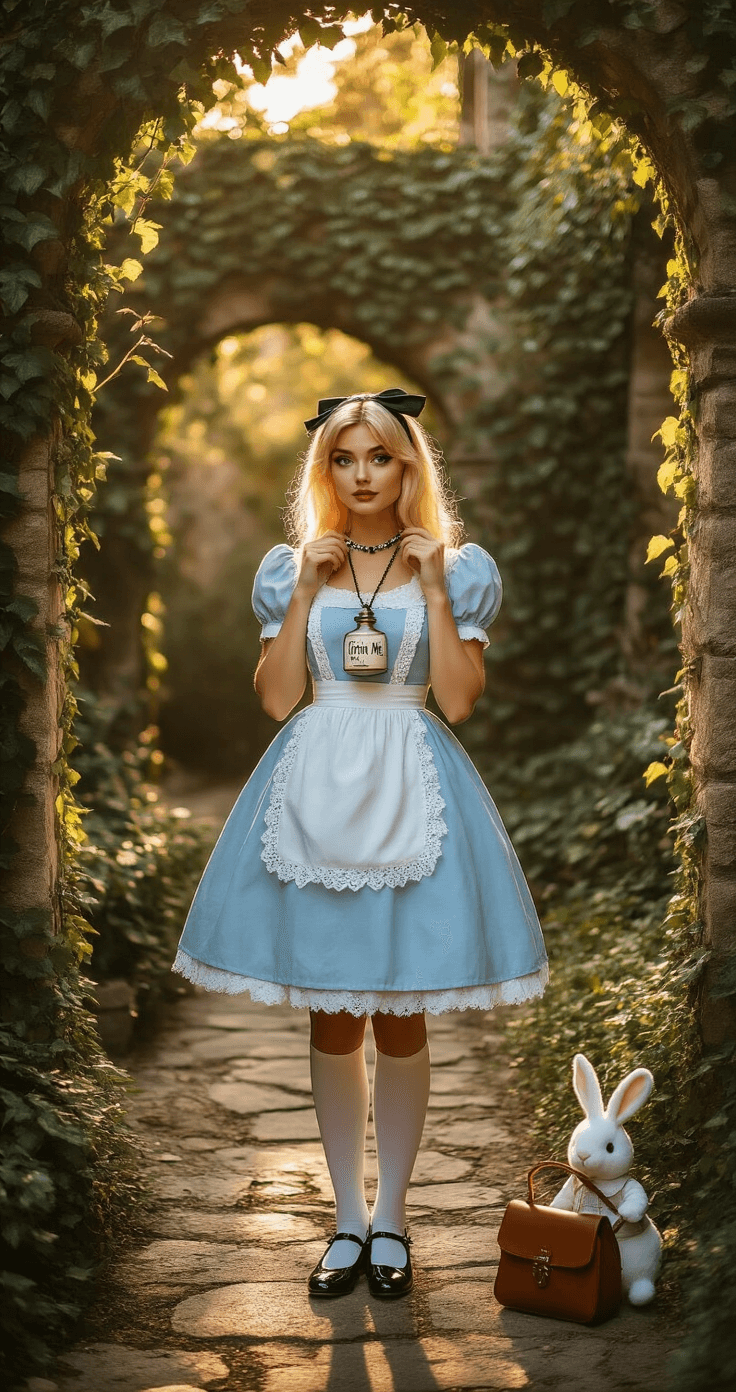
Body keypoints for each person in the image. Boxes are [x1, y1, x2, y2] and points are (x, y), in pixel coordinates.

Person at [173, 387, 548, 1301]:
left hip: (413, 778)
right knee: (333, 1016)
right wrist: (306, 589)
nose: (363, 474)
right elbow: (274, 698)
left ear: (409, 464)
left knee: (402, 1014)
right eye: (345, 458)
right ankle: (345, 1220)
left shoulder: (458, 569)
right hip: (316, 780)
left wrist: (427, 584)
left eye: (380, 456)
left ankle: (394, 1222)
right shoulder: (291, 566)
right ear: (326, 468)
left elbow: (458, 700)